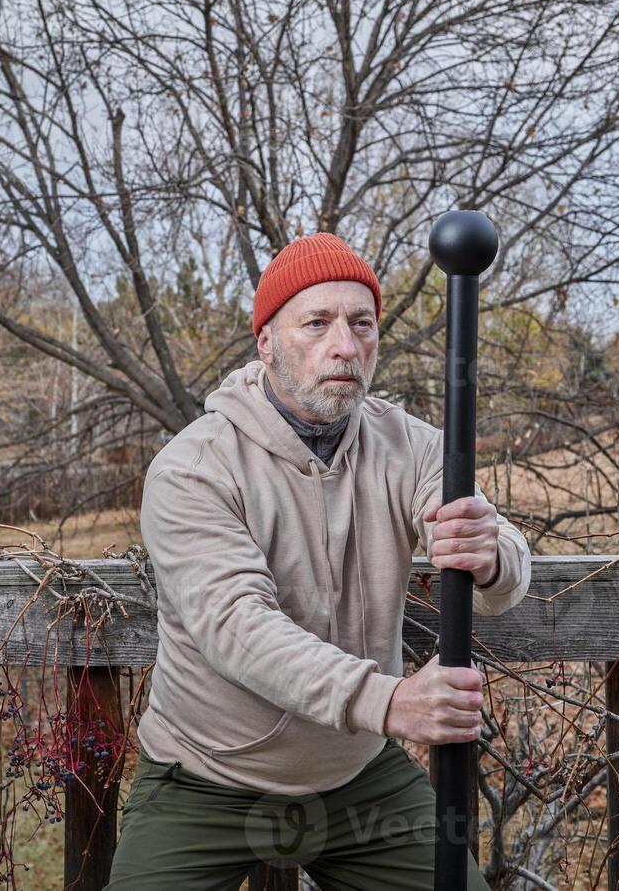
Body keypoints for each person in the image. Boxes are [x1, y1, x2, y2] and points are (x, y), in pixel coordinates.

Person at [105, 232, 530, 890]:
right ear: (267, 342)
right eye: (317, 322)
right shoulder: (195, 467)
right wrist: (389, 702)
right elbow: (236, 627)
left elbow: (494, 569)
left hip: (356, 775)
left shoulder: (410, 445)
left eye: (362, 324)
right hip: (205, 776)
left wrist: (490, 557)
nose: (345, 345)